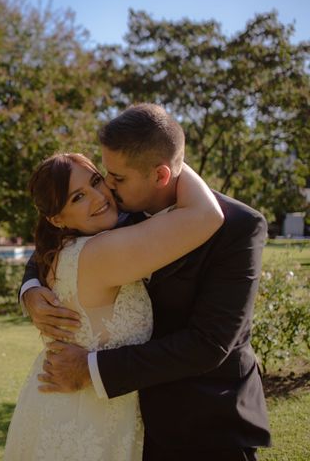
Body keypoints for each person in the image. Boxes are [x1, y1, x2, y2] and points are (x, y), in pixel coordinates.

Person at [20, 104, 271, 461]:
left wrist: (91, 369)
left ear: (160, 175)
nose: (106, 186)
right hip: (130, 425)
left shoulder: (240, 227)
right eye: (103, 174)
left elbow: (210, 343)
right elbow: (59, 242)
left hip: (206, 422)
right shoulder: (118, 210)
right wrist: (30, 289)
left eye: (116, 178)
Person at [4, 149, 224, 460]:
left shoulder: (64, 249)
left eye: (96, 181)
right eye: (77, 198)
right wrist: (165, 151)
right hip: (86, 419)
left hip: (63, 407)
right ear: (56, 218)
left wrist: (28, 287)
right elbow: (207, 216)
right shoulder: (101, 253)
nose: (98, 198)